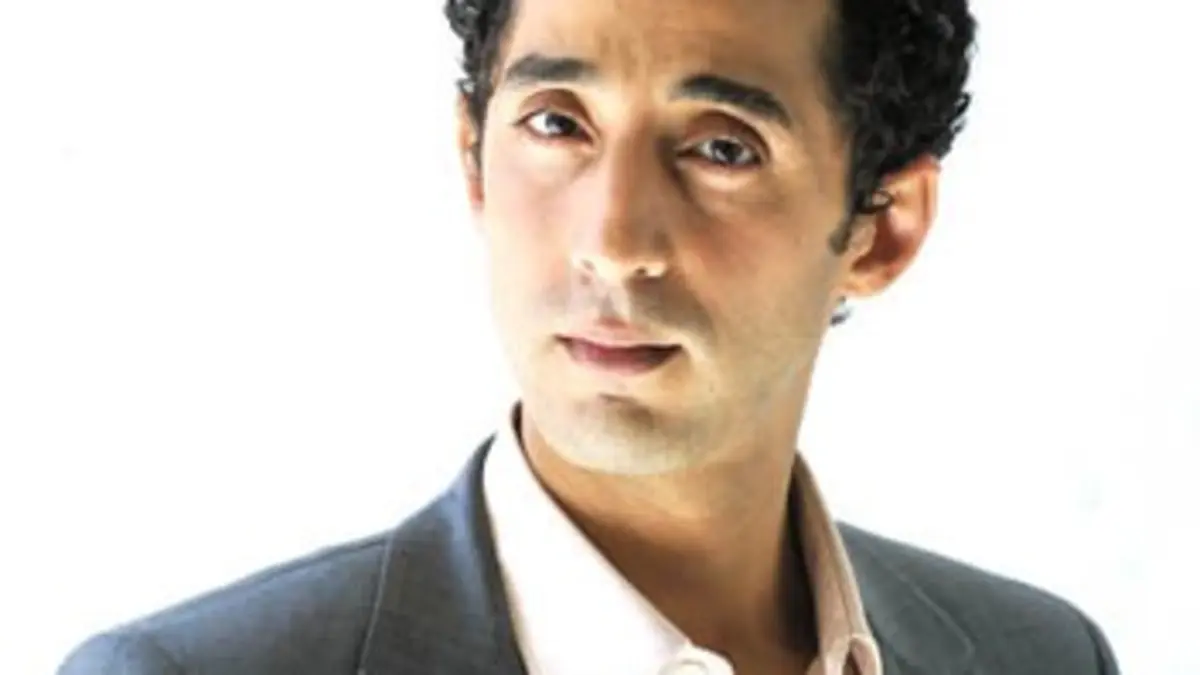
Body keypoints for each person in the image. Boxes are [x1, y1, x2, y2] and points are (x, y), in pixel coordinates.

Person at [59, 0, 1122, 673]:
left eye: (721, 147)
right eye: (557, 123)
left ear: (882, 227)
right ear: (475, 161)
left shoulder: (1045, 658)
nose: (613, 243)